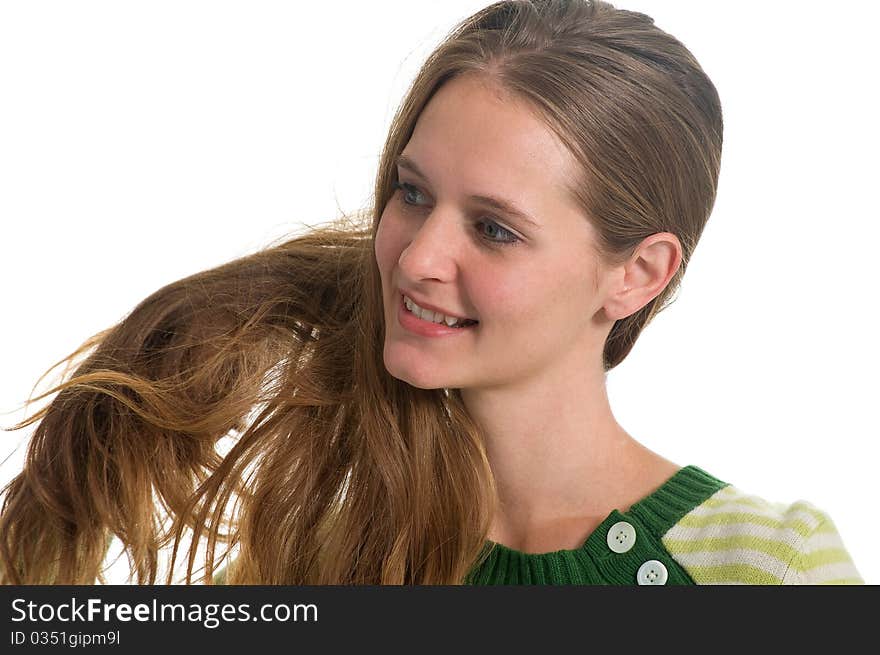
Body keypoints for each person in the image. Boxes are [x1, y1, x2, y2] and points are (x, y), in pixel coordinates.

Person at [0, 0, 863, 586]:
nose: (416, 259)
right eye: (413, 193)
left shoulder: (767, 567)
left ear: (637, 273)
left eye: (494, 228)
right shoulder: (313, 559)